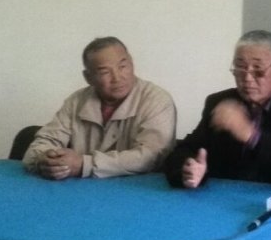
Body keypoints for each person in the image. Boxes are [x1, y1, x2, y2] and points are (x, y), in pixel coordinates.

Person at [163, 30, 271, 188]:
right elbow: (186, 149)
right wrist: (189, 169)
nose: (247, 78)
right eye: (240, 68)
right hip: (223, 198)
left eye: (258, 69)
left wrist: (250, 135)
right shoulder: (220, 102)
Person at [23, 37, 177, 179]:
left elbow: (150, 157)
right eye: (105, 72)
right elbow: (43, 143)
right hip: (80, 191)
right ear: (88, 77)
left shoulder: (157, 100)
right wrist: (45, 160)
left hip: (137, 190)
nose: (117, 78)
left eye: (122, 66)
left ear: (132, 63)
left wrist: (84, 165)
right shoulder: (76, 101)